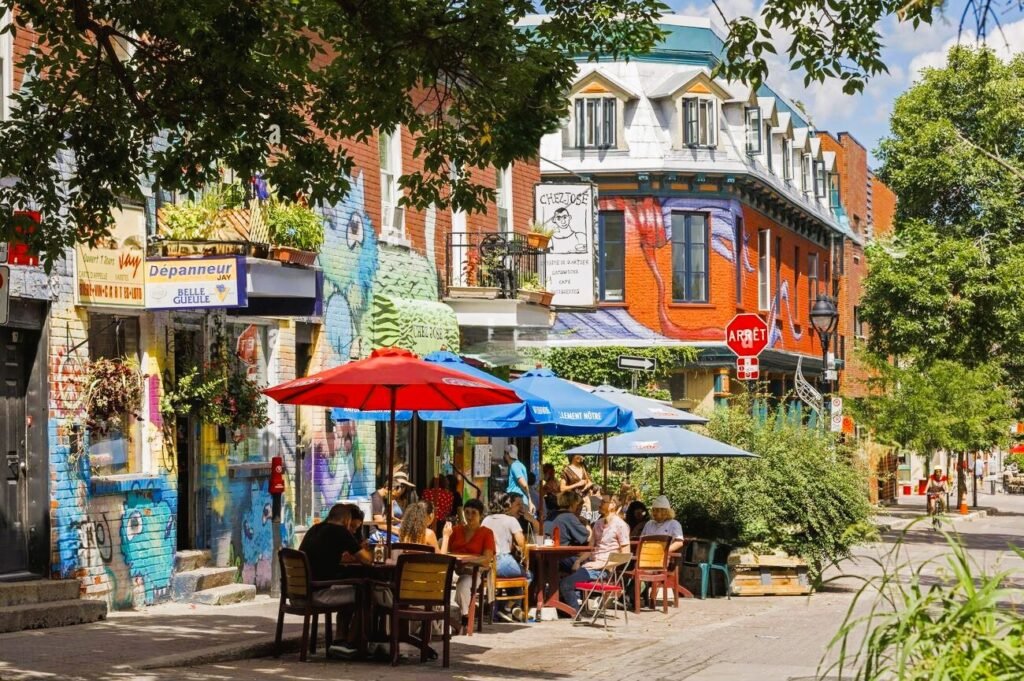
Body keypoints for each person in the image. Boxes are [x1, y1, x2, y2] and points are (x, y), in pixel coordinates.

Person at [298, 504, 374, 656]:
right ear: (346, 520)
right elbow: (367, 560)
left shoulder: (314, 529)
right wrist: (369, 550)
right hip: (318, 592)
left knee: (349, 589)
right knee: (366, 593)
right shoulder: (340, 532)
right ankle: (350, 643)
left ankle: (340, 640)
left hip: (300, 593)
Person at [559, 493, 631, 613]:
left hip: (604, 570)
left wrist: (601, 565)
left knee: (566, 584)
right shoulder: (598, 523)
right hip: (590, 564)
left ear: (612, 505)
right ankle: (571, 607)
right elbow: (590, 548)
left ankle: (575, 614)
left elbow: (625, 555)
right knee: (562, 567)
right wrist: (578, 560)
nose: (600, 504)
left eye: (603, 502)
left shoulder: (621, 525)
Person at [440, 498, 495, 630]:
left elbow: (487, 559)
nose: (469, 516)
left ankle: (465, 617)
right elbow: (444, 550)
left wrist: (468, 561)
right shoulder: (456, 530)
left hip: (474, 571)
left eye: (474, 513)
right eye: (467, 512)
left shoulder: (487, 533)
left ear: (481, 515)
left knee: (464, 584)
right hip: (453, 569)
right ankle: (439, 617)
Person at [482, 493, 534, 621]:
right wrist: (526, 559)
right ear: (507, 504)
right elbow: (522, 543)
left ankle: (508, 610)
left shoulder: (486, 520)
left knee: (514, 581)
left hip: (488, 564)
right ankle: (506, 606)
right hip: (504, 561)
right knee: (528, 575)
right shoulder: (511, 520)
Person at [370, 470, 414, 543]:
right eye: (393, 496)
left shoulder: (385, 498)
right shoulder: (376, 499)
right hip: (376, 533)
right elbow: (381, 525)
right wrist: (400, 532)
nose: (393, 499)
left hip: (384, 530)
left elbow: (388, 519)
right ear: (387, 488)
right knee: (401, 541)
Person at [504, 445, 534, 512]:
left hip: (517, 503)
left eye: (505, 453)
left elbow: (524, 484)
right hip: (520, 501)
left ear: (507, 454)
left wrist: (530, 500)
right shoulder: (520, 465)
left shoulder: (514, 466)